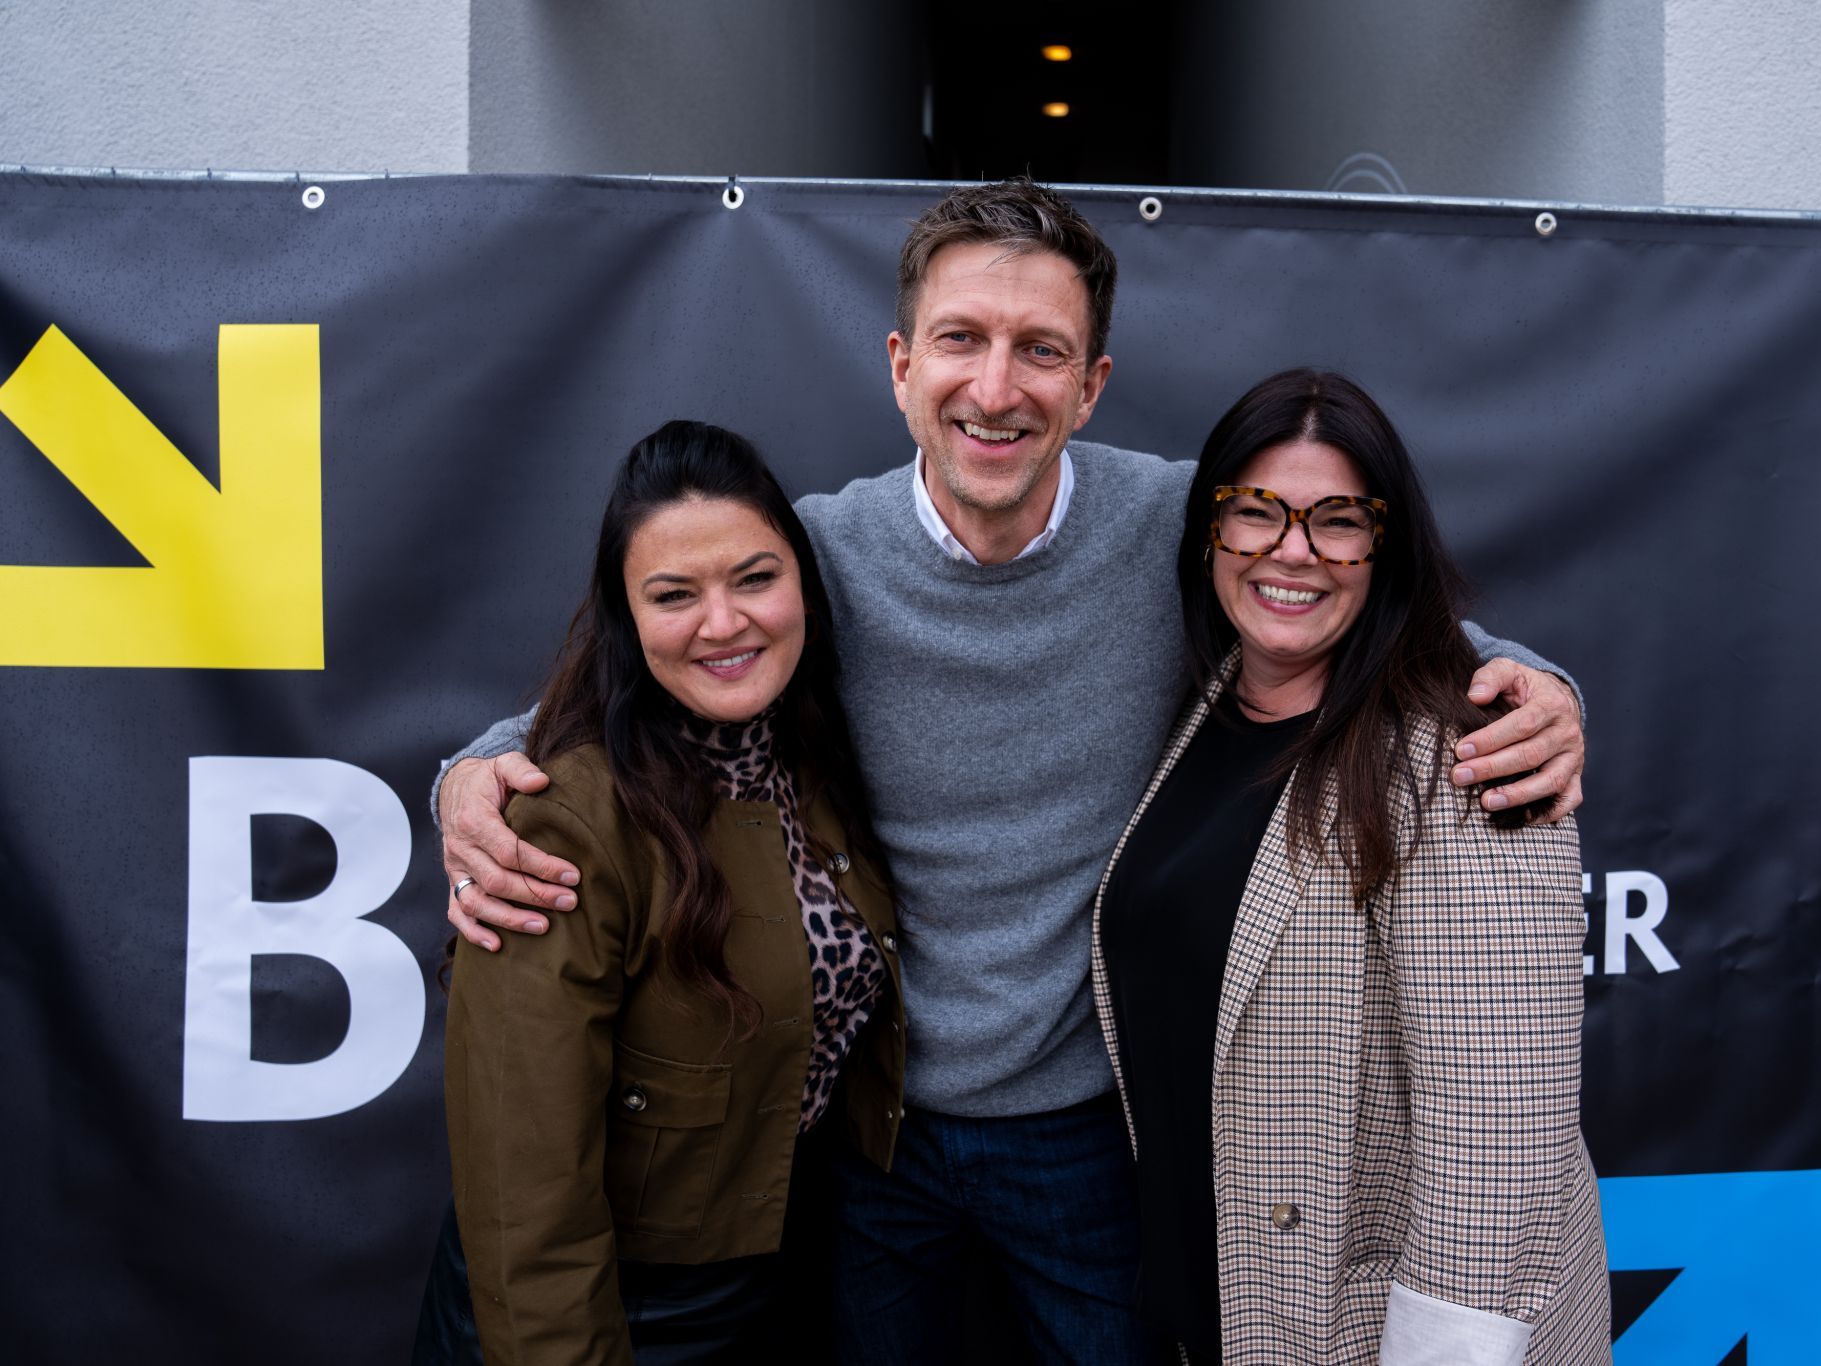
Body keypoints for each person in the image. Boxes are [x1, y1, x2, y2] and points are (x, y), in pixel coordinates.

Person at [432, 180, 1589, 1362]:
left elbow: (1337, 588)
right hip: (870, 1133)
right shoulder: (812, 559)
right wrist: (472, 773)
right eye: (960, 341)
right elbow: (638, 675)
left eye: (1040, 349)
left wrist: (1540, 685)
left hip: (1093, 1130)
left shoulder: (1180, 523)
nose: (995, 388)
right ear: (898, 364)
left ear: (1088, 385)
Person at [1093, 369, 1608, 1365]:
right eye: (1257, 513)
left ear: (1385, 545)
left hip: (1373, 1328)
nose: (1292, 552)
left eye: (1337, 519)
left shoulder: (1467, 751)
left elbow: (1502, 1126)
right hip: (1217, 1305)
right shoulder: (1209, 704)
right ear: (1211, 530)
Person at [412, 421, 905, 1364]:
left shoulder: (814, 764)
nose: (724, 623)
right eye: (674, 595)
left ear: (803, 582)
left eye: (755, 578)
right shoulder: (562, 825)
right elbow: (527, 1200)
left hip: (779, 1286)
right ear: (628, 621)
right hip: (607, 1313)